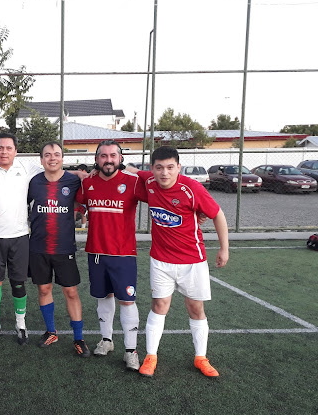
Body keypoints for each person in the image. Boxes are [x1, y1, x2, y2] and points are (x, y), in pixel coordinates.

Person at [136, 146, 229, 378]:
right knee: (159, 306)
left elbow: (217, 214)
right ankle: (151, 356)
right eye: (159, 168)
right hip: (160, 260)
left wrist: (224, 248)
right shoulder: (148, 183)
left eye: (170, 167)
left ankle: (201, 358)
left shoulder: (192, 188)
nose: (164, 173)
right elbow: (126, 170)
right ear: (152, 169)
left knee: (195, 308)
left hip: (192, 261)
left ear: (178, 167)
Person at [76, 141, 147, 371]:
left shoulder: (133, 182)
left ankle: (131, 350)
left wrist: (137, 171)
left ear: (120, 158)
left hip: (123, 253)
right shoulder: (88, 183)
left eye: (113, 155)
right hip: (96, 252)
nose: (109, 159)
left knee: (127, 300)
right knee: (103, 297)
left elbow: (161, 188)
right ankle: (106, 340)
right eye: (103, 156)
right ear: (97, 160)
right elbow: (77, 205)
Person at [0, 132, 45, 345]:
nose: (4, 151)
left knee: (18, 282)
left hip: (20, 236)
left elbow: (55, 171)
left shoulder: (26, 168)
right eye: (0, 148)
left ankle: (20, 324)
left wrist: (80, 174)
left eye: (8, 148)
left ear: (16, 151)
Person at [28, 141, 91, 357]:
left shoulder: (73, 181)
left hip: (64, 248)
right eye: (47, 155)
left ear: (62, 158)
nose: (52, 158)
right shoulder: (33, 182)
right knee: (44, 290)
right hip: (38, 246)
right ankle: (51, 331)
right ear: (41, 159)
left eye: (56, 154)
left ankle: (79, 338)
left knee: (70, 292)